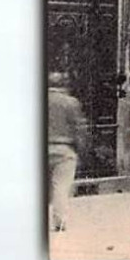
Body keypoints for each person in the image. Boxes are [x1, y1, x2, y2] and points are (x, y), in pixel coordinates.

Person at [47, 70, 86, 233]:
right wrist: (82, 149)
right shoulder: (70, 103)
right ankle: (59, 222)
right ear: (64, 85)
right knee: (61, 187)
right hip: (63, 150)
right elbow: (79, 129)